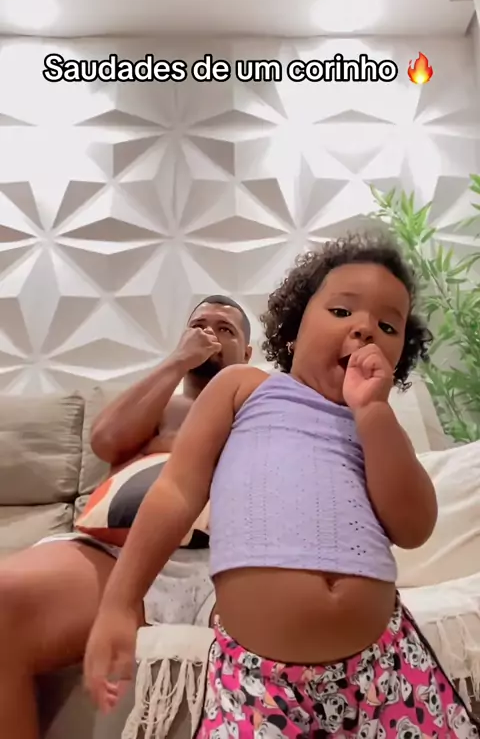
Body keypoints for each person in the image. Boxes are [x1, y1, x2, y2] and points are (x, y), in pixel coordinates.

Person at [84, 234, 480, 738]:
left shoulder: (380, 427)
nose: (364, 329)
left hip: (386, 669)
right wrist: (120, 603)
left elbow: (414, 526)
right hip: (257, 684)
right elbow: (176, 493)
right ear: (294, 328)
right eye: (342, 311)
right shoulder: (244, 389)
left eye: (387, 326)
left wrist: (374, 415)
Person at [0, 295, 252, 739]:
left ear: (247, 354)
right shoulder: (160, 406)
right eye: (200, 325)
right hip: (118, 556)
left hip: (225, 564)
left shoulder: (258, 406)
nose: (210, 334)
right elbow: (106, 440)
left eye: (225, 329)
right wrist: (178, 361)